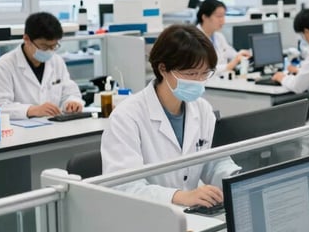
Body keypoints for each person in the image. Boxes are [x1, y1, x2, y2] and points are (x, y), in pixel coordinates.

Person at [101, 24, 239, 206]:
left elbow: (210, 163)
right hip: (147, 217)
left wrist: (234, 178)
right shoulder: (127, 116)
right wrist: (179, 196)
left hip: (190, 216)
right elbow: (124, 187)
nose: (199, 81)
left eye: (204, 73)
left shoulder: (202, 109)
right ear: (163, 69)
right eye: (191, 73)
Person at [0, 12, 83, 119]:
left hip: (54, 127)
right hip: (19, 132)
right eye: (44, 46)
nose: (49, 51)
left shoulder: (56, 61)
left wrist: (72, 102)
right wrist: (31, 110)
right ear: (26, 39)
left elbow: (70, 92)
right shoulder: (4, 66)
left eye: (54, 46)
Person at [196, 0, 251, 74]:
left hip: (221, 80)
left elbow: (232, 54)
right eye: (219, 16)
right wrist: (229, 65)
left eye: (223, 16)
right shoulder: (194, 39)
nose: (223, 20)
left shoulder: (219, 36)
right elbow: (204, 70)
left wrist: (241, 54)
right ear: (204, 17)